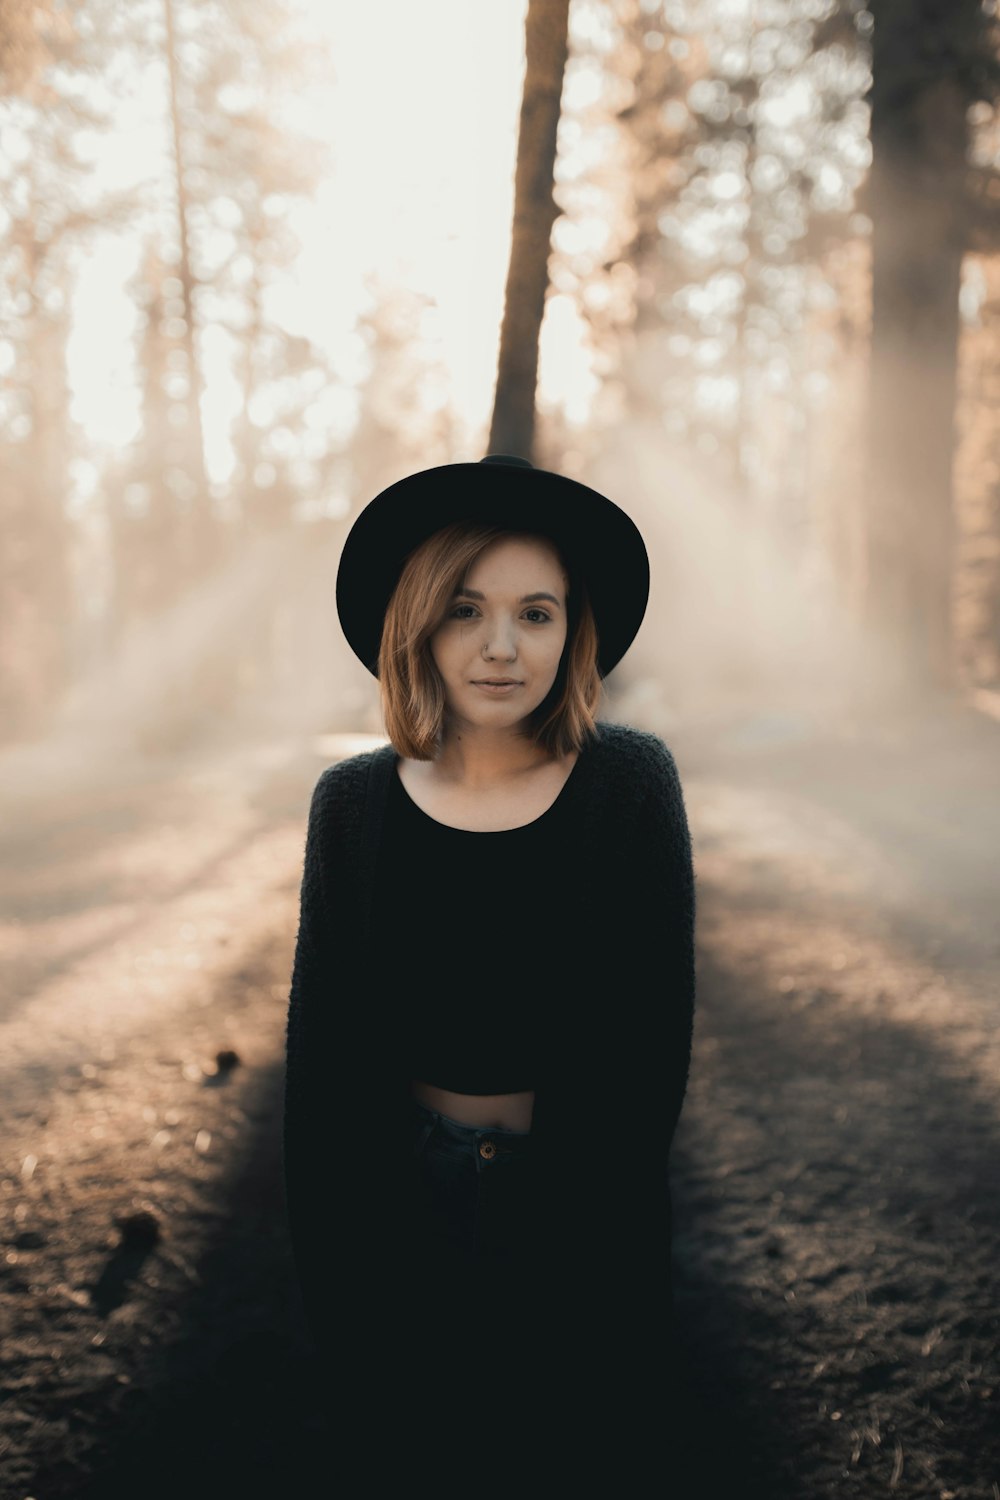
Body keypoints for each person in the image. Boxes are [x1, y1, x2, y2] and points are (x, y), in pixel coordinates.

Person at [283, 453, 696, 1481]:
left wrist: (589, 1226)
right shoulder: (352, 804)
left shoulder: (629, 785)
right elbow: (322, 1052)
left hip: (583, 1196)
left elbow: (653, 1038)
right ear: (417, 624)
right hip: (397, 1198)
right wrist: (342, 1258)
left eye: (537, 613)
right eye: (466, 610)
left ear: (574, 631)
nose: (501, 647)